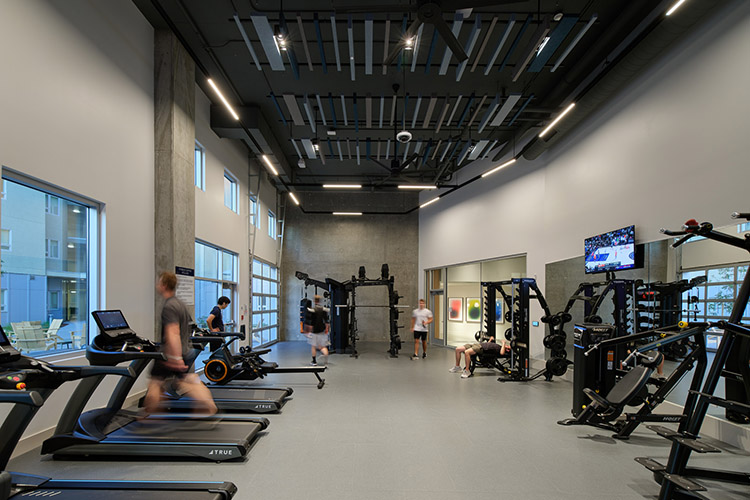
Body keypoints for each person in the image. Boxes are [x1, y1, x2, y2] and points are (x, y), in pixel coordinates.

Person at [142, 271, 217, 417]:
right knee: (188, 380)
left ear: (163, 285)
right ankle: (209, 405)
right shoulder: (180, 304)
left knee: (155, 382)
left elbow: (173, 332)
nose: (157, 285)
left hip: (170, 354)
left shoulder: (169, 306)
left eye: (159, 282)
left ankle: (148, 417)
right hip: (185, 350)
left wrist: (175, 358)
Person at [306, 295, 330, 366]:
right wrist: (327, 329)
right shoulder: (323, 309)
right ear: (319, 301)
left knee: (313, 346)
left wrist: (308, 331)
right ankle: (325, 360)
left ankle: (314, 361)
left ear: (314, 301)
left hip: (315, 331)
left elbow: (311, 322)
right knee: (322, 347)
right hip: (322, 330)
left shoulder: (312, 310)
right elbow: (326, 321)